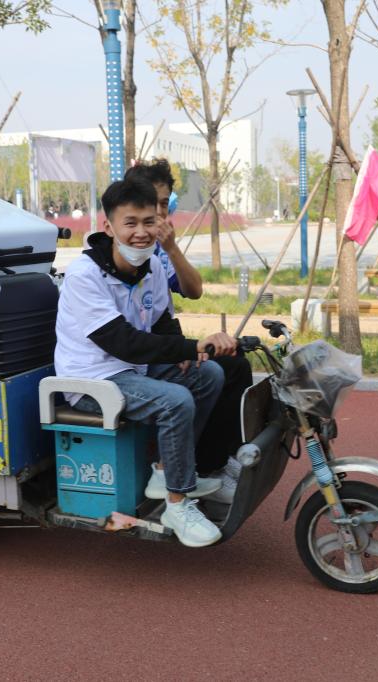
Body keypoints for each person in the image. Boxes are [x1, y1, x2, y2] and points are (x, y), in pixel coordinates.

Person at [55, 177, 237, 547]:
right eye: (131, 223)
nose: (141, 232)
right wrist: (190, 347)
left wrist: (185, 353)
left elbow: (162, 322)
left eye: (149, 222)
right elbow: (123, 343)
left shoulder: (152, 265)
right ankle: (177, 504)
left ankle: (166, 472)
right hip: (92, 381)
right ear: (108, 227)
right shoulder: (84, 275)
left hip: (131, 369)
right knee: (176, 400)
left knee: (209, 375)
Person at [124, 159, 254, 501]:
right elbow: (122, 334)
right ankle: (190, 472)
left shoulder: (155, 254)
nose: (159, 212)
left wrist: (171, 248)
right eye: (151, 203)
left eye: (164, 203)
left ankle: (212, 462)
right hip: (131, 358)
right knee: (204, 376)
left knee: (233, 365)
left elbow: (190, 292)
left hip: (155, 348)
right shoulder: (120, 253)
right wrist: (179, 349)